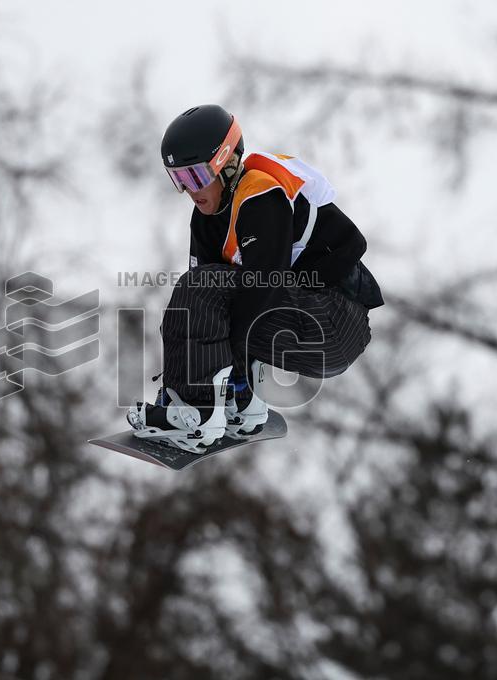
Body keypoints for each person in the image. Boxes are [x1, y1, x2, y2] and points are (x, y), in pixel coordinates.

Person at [127, 104, 384, 453]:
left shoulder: (261, 193)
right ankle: (239, 405)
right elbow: (200, 314)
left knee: (206, 291)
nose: (191, 190)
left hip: (335, 317)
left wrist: (193, 383)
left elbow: (264, 285)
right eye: (180, 180)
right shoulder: (205, 220)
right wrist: (184, 368)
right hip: (300, 322)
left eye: (197, 176)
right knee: (195, 304)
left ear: (226, 163)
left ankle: (197, 412)